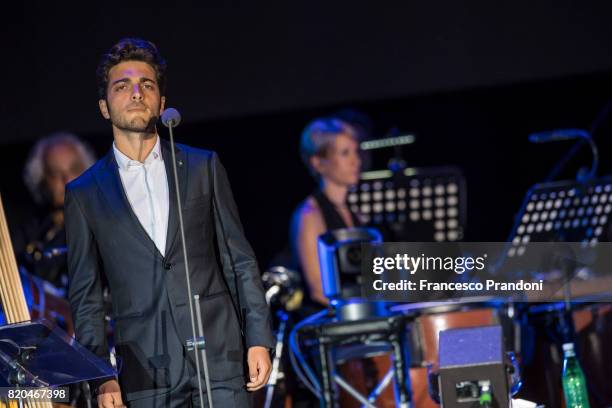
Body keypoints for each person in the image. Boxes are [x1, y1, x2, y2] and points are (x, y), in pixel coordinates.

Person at [65, 38, 274, 408]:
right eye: (122, 86)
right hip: (147, 372)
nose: (136, 93)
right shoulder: (84, 194)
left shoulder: (201, 167)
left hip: (220, 360)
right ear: (103, 106)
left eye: (147, 85)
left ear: (161, 103)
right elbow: (87, 299)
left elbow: (239, 259)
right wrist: (101, 377)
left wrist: (258, 337)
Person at [289, 117, 362, 308]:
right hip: (328, 323)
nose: (356, 161)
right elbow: (319, 290)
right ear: (318, 163)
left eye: (355, 151)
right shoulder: (309, 214)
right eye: (345, 153)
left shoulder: (356, 213)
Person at [17, 132, 96, 292]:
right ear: (41, 181)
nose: (67, 180)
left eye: (74, 169)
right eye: (55, 173)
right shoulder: (30, 232)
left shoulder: (104, 225)